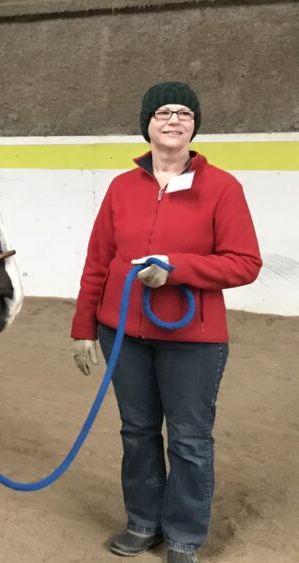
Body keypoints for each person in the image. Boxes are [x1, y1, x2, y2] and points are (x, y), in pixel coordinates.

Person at [70, 82, 261, 563]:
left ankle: (183, 536)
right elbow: (98, 261)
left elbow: (245, 263)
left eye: (183, 113)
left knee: (190, 440)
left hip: (191, 341)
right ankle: (143, 521)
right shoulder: (120, 188)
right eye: (162, 112)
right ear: (147, 125)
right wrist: (83, 326)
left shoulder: (223, 188)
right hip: (124, 335)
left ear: (194, 125)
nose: (172, 120)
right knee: (136, 432)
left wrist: (179, 267)